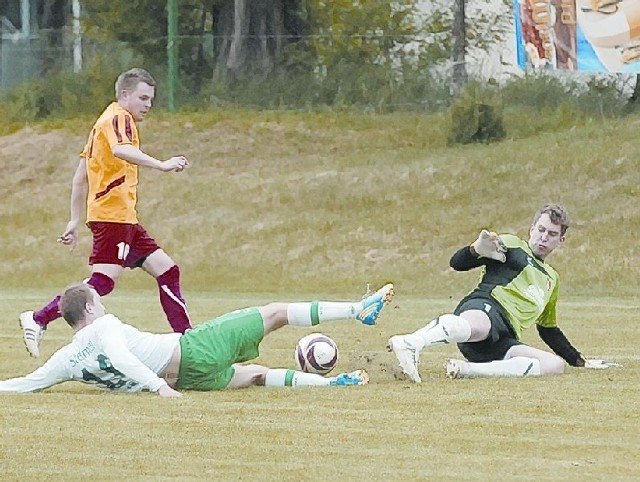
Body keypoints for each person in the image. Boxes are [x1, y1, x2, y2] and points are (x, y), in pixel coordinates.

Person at [19, 68, 191, 358]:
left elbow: (79, 177)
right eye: (143, 98)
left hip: (123, 218)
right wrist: (162, 164)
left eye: (151, 99)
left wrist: (74, 219)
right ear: (125, 95)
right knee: (102, 283)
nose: (148, 105)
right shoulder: (118, 119)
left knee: (168, 270)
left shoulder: (103, 123)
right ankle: (38, 318)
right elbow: (122, 149)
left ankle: (187, 340)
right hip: (113, 217)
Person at [1, 282, 395, 395]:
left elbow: (26, 384)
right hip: (192, 350)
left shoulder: (68, 359)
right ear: (88, 310)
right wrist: (158, 387)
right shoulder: (103, 327)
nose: (103, 307)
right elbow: (120, 357)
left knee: (256, 375)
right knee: (275, 313)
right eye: (99, 303)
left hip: (192, 380)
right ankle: (357, 310)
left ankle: (330, 384)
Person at [387, 203, 620, 382]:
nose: (543, 237)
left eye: (551, 234)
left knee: (553, 366)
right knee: (479, 326)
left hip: (504, 337)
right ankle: (411, 343)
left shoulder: (552, 278)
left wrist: (580, 362)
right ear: (531, 229)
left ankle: (467, 370)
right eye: (540, 229)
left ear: (561, 240)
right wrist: (475, 250)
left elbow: (548, 329)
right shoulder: (512, 245)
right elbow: (457, 264)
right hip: (486, 306)